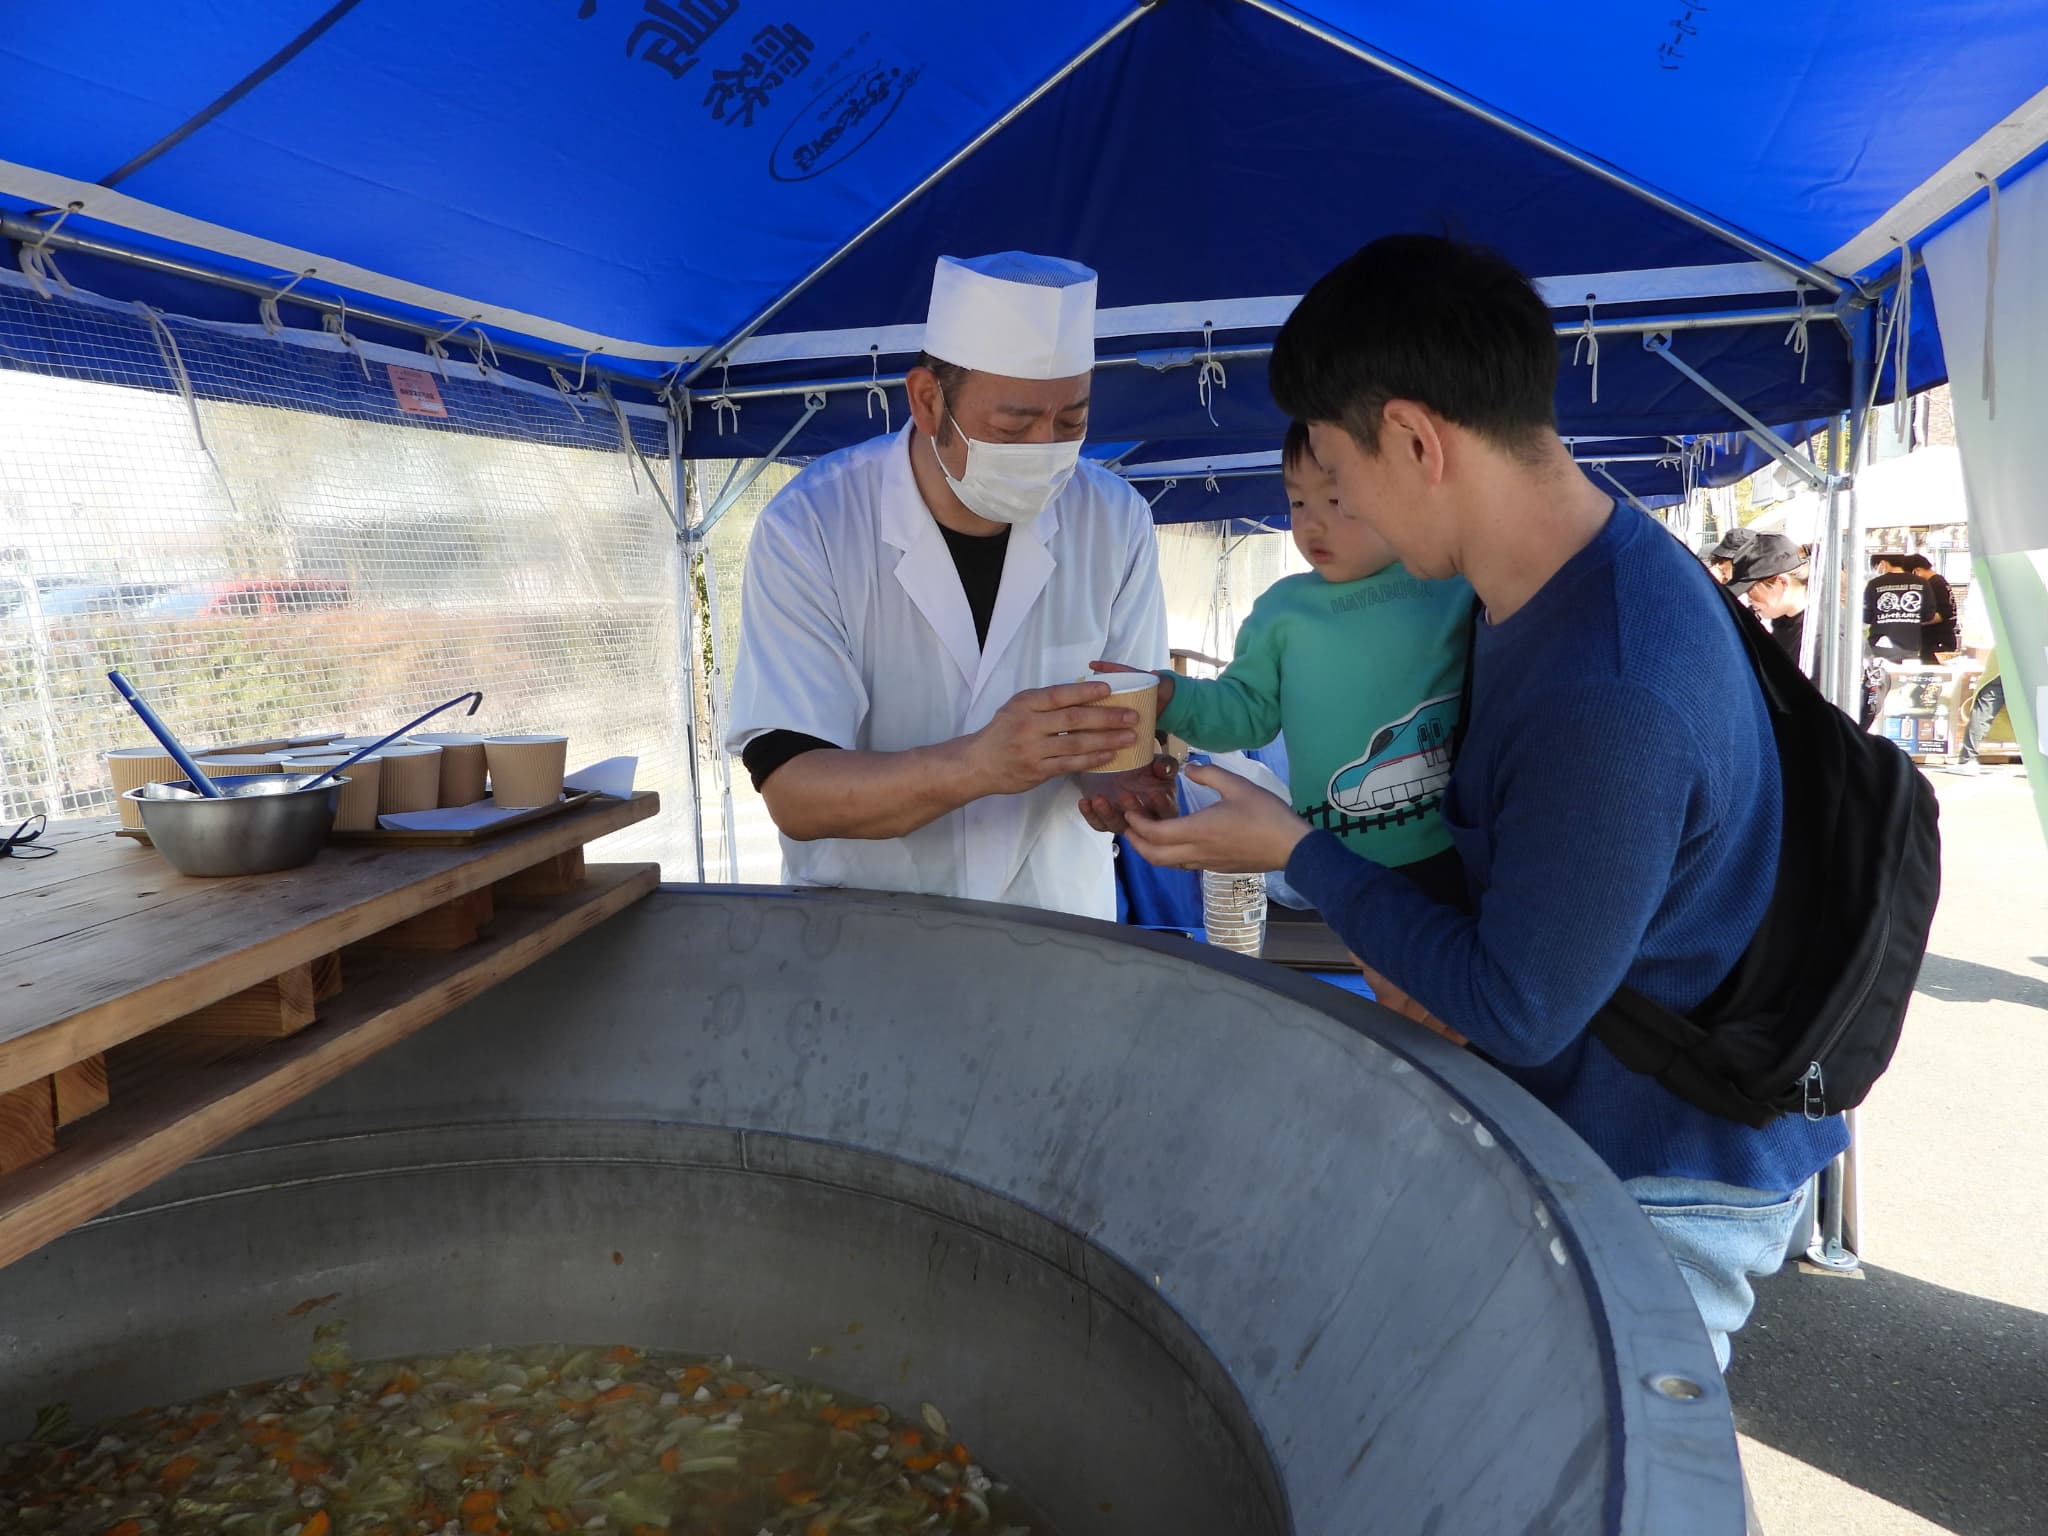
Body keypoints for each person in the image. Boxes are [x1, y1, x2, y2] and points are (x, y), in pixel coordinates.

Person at [1120, 234, 1847, 1375]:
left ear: (1415, 441)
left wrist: (1295, 849)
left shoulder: (1607, 683)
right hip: (1585, 1125)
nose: (1331, 513)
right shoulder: (1547, 585)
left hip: (1653, 1176)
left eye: (1340, 475)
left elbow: (1516, 1005)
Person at [723, 251, 1174, 920]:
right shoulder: (813, 525)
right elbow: (795, 791)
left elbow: (1120, 732)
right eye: (1013, 426)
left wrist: (1121, 783)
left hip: (1055, 925)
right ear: (928, 401)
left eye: (1071, 423)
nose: (1045, 450)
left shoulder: (1114, 521)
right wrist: (979, 764)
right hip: (871, 931)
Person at [1085, 421, 1471, 908]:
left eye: (1336, 500)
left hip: (1459, 849)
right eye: (1298, 502)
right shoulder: (1282, 612)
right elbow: (1245, 713)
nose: (1311, 525)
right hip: (1334, 862)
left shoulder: (1452, 586)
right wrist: (1171, 696)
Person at [1727, 532, 1813, 678]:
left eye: (1750, 591)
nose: (1749, 600)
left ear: (1782, 582)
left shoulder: (1815, 639)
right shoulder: (1783, 621)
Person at [1862, 551, 1929, 726]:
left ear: (1883, 563)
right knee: (1905, 690)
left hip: (1879, 649)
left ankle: (1877, 727)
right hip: (1911, 647)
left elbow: (1866, 616)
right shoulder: (1921, 583)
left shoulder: (1875, 584)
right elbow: (1928, 614)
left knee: (1877, 692)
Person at [1903, 553, 1958, 662]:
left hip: (1938, 642)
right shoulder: (1937, 581)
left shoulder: (1935, 584)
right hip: (1938, 640)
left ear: (1916, 571)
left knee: (1932, 670)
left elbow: (1943, 614)